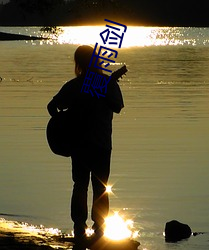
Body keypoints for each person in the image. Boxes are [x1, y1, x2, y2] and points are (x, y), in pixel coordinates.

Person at [47, 45, 124, 244]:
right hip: (99, 144)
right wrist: (64, 122)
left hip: (81, 144)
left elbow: (51, 106)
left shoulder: (76, 85)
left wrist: (64, 122)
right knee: (99, 187)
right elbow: (117, 107)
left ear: (79, 64)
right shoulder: (104, 84)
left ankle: (80, 228)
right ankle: (97, 230)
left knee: (81, 185)